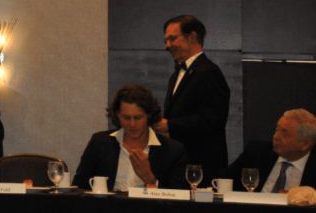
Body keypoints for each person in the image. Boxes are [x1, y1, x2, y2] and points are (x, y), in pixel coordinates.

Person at [155, 14, 229, 183]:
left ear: (192, 37)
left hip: (201, 168)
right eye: (166, 40)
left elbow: (212, 120)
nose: (167, 46)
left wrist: (169, 125)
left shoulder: (209, 73)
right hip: (180, 165)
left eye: (172, 39)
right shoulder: (177, 75)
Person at [74, 84, 188, 191]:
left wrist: (149, 178)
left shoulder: (172, 150)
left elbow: (180, 197)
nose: (132, 124)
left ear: (149, 115)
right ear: (118, 115)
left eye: (138, 118)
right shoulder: (100, 143)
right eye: (126, 118)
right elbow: (79, 187)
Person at [228, 108, 316, 192]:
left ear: (305, 144)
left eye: (285, 134)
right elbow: (225, 180)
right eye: (277, 129)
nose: (276, 136)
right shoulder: (256, 153)